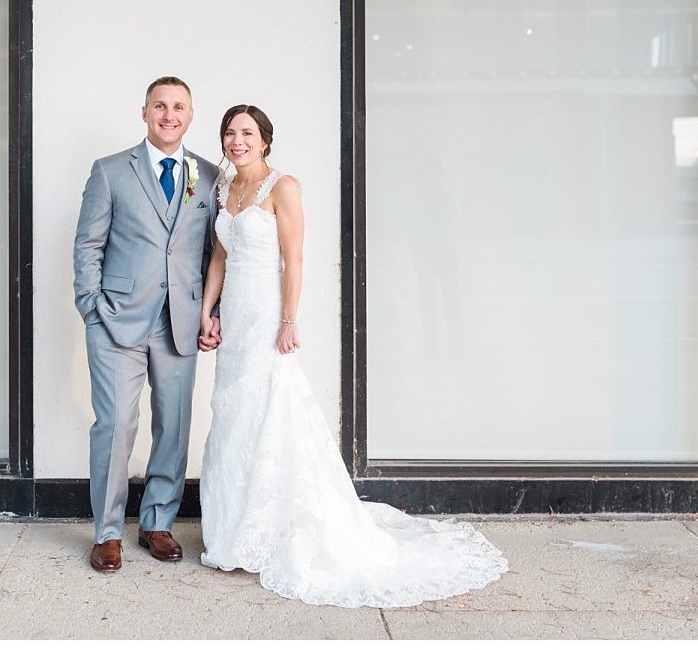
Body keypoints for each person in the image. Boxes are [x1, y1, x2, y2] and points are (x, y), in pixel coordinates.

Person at [196, 104, 507, 608]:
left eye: (247, 133)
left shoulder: (283, 186)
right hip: (234, 318)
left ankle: (277, 529)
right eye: (230, 133)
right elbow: (220, 255)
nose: (237, 141)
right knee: (234, 417)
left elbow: (294, 257)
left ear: (266, 141)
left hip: (267, 314)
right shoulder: (222, 189)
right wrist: (207, 312)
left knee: (272, 411)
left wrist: (289, 319)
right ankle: (234, 531)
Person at [72, 76, 221, 573]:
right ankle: (108, 533)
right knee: (115, 426)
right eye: (160, 105)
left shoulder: (209, 175)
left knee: (174, 426)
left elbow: (211, 254)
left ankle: (157, 524)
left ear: (191, 115)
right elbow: (88, 245)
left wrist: (211, 314)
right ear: (144, 112)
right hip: (116, 321)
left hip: (180, 322)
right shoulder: (111, 171)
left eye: (179, 107)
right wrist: (91, 307)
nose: (169, 115)